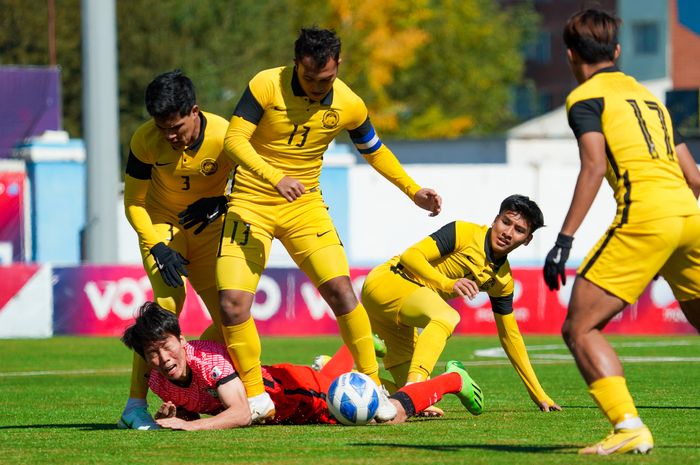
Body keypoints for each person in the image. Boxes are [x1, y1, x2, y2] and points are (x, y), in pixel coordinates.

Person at [216, 26, 442, 422]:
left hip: (304, 208)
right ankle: (255, 399)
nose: (319, 87)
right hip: (250, 203)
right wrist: (274, 177)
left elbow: (374, 149)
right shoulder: (266, 84)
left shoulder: (350, 103)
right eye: (310, 78)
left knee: (342, 292)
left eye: (327, 79)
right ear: (296, 63)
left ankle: (373, 386)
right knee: (232, 305)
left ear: (338, 65)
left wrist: (413, 191)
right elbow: (234, 140)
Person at [543, 9, 700, 455]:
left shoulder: (585, 99)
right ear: (616, 52)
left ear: (571, 55)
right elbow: (694, 178)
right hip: (689, 218)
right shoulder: (653, 101)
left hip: (647, 216)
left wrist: (564, 240)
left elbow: (593, 166)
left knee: (580, 327)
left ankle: (628, 426)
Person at [120, 302, 483, 430]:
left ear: (181, 341)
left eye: (166, 347)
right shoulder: (158, 380)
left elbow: (241, 412)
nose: (162, 359)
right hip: (285, 400)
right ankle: (354, 351)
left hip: (294, 393)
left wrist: (191, 430)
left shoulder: (208, 360)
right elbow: (202, 405)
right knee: (334, 380)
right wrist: (180, 416)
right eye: (151, 353)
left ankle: (453, 379)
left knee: (383, 415)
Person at [362, 195, 560, 414]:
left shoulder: (503, 281)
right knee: (447, 317)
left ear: (527, 240)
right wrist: (447, 283)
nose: (508, 233)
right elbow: (411, 256)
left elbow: (510, 337)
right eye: (506, 222)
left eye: (519, 230)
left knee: (412, 402)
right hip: (388, 281)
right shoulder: (464, 232)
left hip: (401, 310)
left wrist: (539, 394)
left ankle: (338, 373)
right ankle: (415, 386)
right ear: (495, 220)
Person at [120, 70, 235, 430]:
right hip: (161, 228)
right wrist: (156, 244)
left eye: (176, 127)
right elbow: (134, 203)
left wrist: (223, 201)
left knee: (231, 318)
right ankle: (134, 408)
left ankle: (211, 382)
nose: (169, 136)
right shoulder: (144, 140)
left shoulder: (227, 135)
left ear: (195, 111)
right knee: (167, 303)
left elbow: (253, 188)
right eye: (161, 127)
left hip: (207, 231)